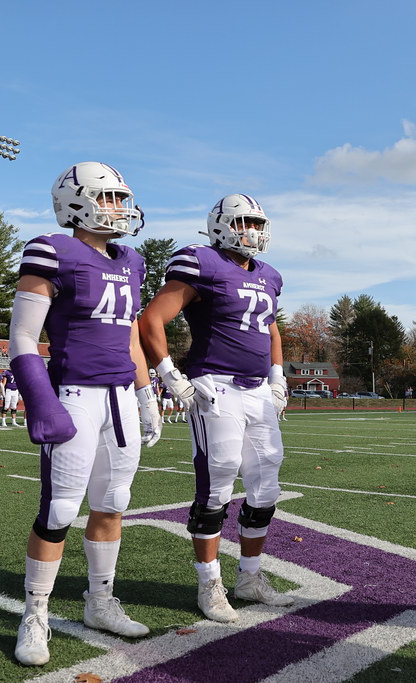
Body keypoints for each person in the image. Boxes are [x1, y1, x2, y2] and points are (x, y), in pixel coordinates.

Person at [10, 162, 162, 666]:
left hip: (119, 397)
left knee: (113, 503)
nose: (120, 208)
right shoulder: (52, 250)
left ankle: (100, 601)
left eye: (122, 198)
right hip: (74, 392)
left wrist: (145, 392)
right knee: (58, 511)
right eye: (109, 197)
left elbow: (131, 334)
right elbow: (23, 337)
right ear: (75, 202)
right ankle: (35, 613)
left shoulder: (132, 261)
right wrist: (40, 399)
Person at [138, 193, 293, 623]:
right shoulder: (201, 262)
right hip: (215, 386)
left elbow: (270, 329)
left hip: (259, 391)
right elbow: (151, 319)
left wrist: (278, 378)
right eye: (245, 223)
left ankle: (250, 578)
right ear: (221, 225)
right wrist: (170, 376)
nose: (253, 232)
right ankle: (209, 583)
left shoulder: (270, 275)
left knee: (266, 488)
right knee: (217, 484)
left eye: (258, 224)